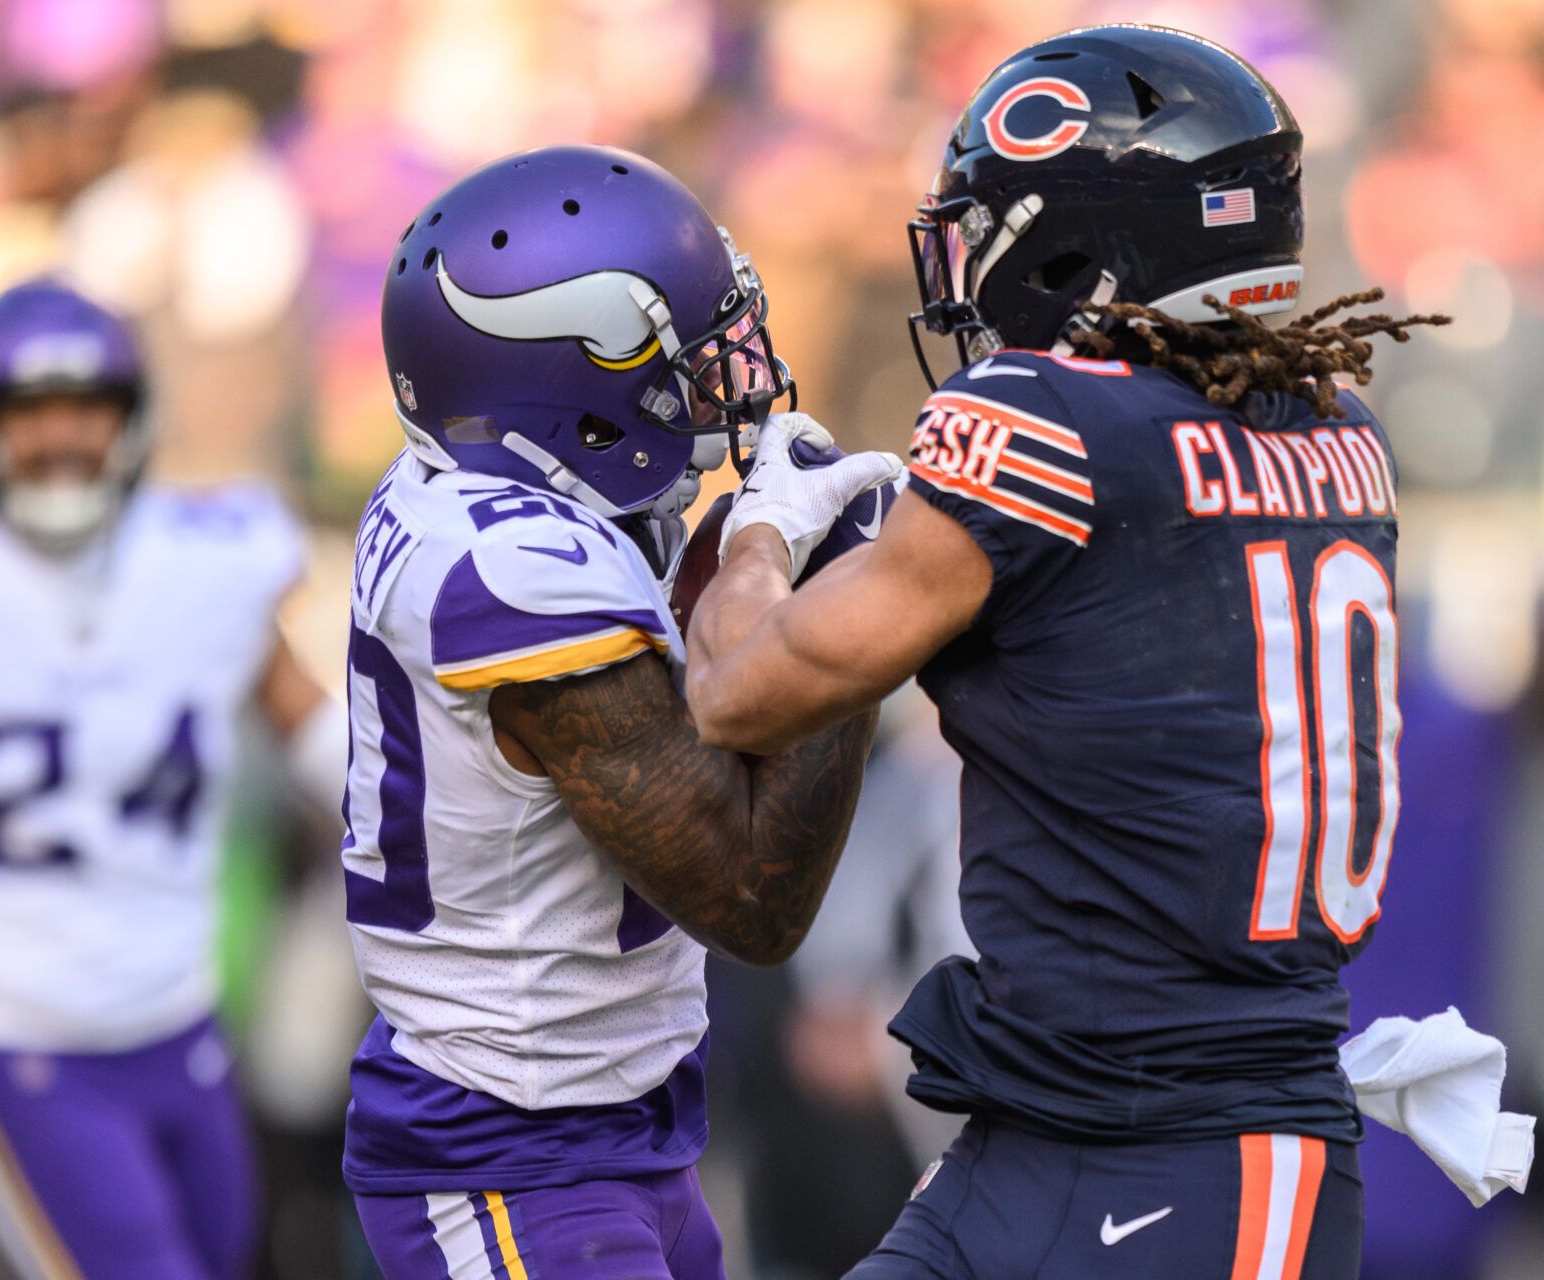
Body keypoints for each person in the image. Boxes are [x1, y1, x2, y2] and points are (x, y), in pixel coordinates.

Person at [686, 26, 1452, 1280]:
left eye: (987, 226)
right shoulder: (1338, 426)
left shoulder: (1050, 423)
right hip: (1045, 1123)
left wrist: (767, 517)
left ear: (1077, 238)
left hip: (1196, 1144)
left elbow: (736, 693)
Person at [343, 144, 891, 1280]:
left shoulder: (489, 487)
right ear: (574, 382)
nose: (719, 387)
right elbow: (751, 893)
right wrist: (846, 605)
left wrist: (743, 567)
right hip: (514, 1143)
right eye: (683, 360)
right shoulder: (517, 572)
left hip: (608, 1115)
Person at [0, 279, 341, 1279]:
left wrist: (446, 826)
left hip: (183, 1018)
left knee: (225, 1255)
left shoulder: (212, 560)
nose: (59, 436)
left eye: (85, 407)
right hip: (17, 1035)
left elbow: (326, 744)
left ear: (135, 417)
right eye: (27, 413)